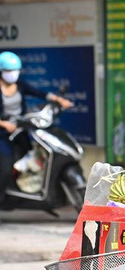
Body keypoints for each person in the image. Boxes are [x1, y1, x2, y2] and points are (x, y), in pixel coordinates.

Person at [0, 51, 73, 201]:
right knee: (6, 165)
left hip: (19, 130)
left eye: (15, 71)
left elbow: (41, 94)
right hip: (3, 133)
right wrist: (4, 124)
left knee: (29, 160)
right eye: (9, 71)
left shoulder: (19, 85)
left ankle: (22, 194)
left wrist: (59, 100)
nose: (13, 74)